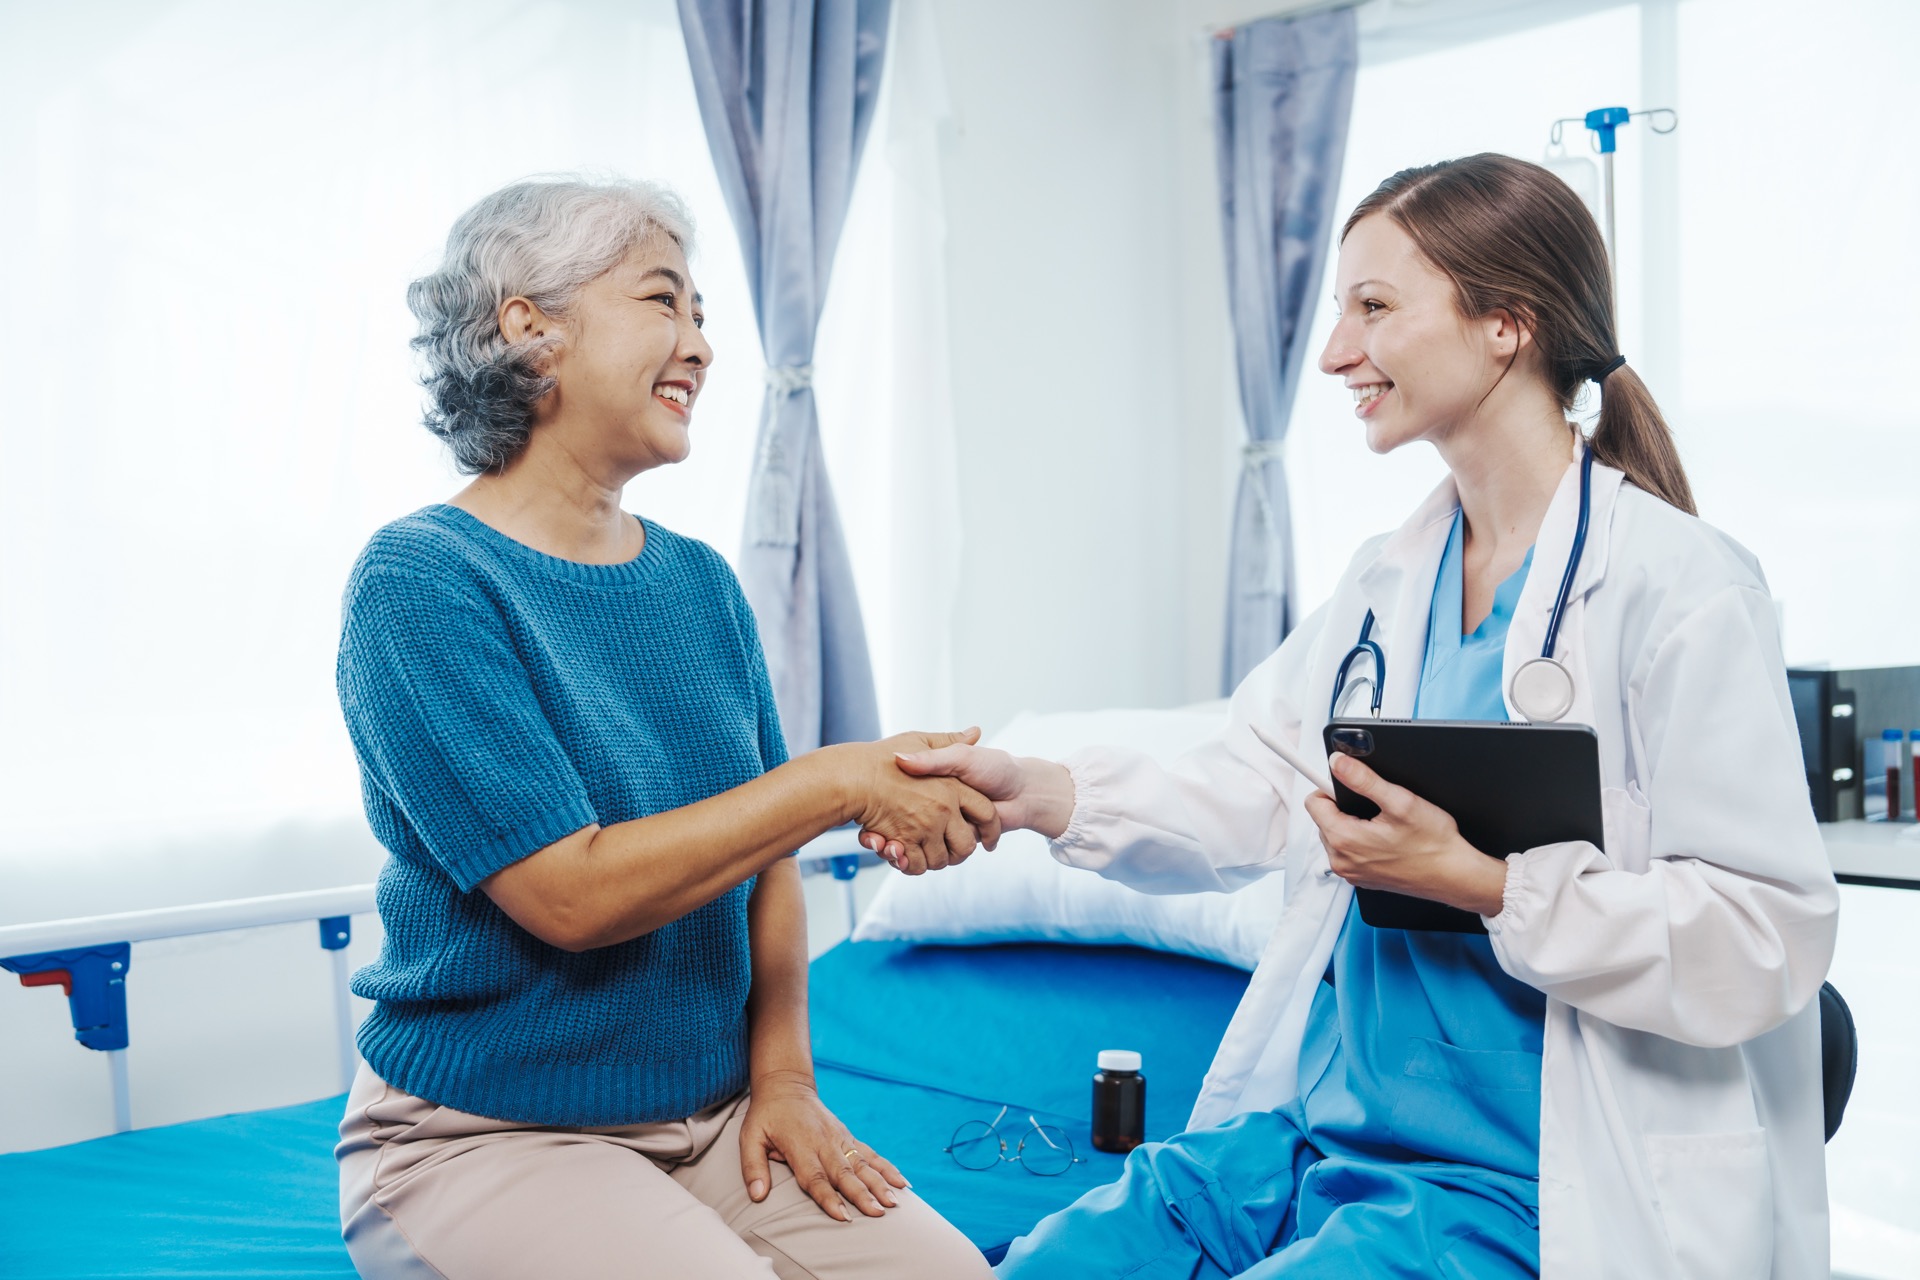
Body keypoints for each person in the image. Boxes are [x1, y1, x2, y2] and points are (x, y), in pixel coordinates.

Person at [878, 154, 1839, 1279]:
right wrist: (1039, 789)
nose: (1335, 351)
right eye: (1341, 311)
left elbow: (1767, 932)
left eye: (1373, 308)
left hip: (1527, 1185)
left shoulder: (1679, 587)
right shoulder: (1385, 585)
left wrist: (1485, 882)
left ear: (1506, 326)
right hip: (1320, 1141)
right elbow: (1252, 781)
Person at [332, 177, 997, 1280]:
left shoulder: (698, 582)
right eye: (664, 302)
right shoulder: (422, 581)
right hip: (485, 1136)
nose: (699, 345)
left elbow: (764, 862)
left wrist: (782, 1081)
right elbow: (572, 897)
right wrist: (838, 779)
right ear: (528, 327)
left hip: (716, 1120)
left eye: (703, 317)